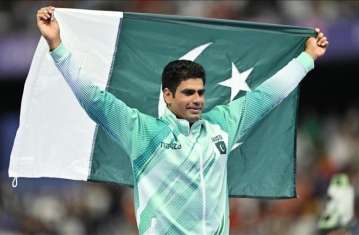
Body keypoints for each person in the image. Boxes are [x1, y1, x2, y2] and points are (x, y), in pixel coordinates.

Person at [36, 6, 328, 235]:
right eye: (188, 93)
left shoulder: (221, 125)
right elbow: (94, 99)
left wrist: (307, 58)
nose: (198, 99)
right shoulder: (142, 132)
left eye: (201, 92)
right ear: (167, 95)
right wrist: (57, 46)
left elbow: (266, 96)